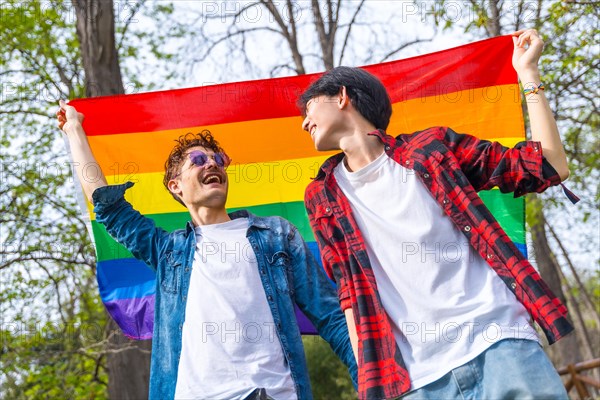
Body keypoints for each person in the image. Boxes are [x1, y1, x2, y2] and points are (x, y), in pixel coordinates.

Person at [299, 29, 574, 399]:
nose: (304, 122)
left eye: (310, 107)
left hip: (501, 346)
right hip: (417, 381)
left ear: (343, 96)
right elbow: (350, 295)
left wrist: (528, 75)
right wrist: (372, 385)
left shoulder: (431, 149)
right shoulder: (322, 196)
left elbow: (548, 165)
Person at [56, 101, 358, 400]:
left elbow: (331, 315)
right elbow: (108, 207)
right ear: (176, 186)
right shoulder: (167, 251)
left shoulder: (276, 235)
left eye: (218, 159)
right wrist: (74, 130)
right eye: (198, 160)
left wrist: (371, 382)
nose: (212, 164)